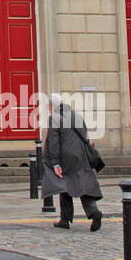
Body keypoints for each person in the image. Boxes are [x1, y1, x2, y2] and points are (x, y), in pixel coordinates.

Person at [39, 94, 103, 231]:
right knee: (82, 185)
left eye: (49, 107)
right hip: (80, 155)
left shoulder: (54, 118)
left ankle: (65, 218)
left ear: (52, 106)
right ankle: (92, 212)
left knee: (64, 184)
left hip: (65, 156)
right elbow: (85, 135)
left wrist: (55, 162)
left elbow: (54, 142)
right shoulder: (77, 116)